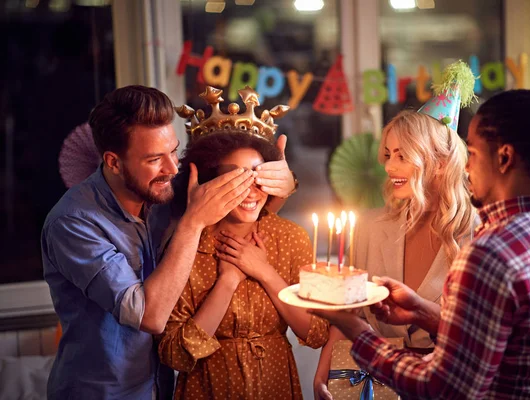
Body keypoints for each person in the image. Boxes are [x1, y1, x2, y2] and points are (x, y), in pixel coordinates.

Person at [313, 88, 530, 399]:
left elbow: (442, 386)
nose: (464, 166)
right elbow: (503, 338)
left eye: (472, 153)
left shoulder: (490, 252)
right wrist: (422, 312)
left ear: (503, 157)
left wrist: (358, 333)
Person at [41, 85, 296, 399]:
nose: (172, 168)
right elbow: (149, 316)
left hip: (163, 388)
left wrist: (285, 184)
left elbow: (245, 209)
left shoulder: (161, 187)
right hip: (103, 392)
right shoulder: (73, 223)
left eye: (173, 151)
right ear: (114, 162)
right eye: (154, 159)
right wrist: (192, 222)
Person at [313, 108, 477, 399]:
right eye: (388, 155)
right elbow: (349, 313)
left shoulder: (480, 234)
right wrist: (322, 373)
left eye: (402, 156)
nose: (389, 167)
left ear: (439, 162)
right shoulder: (368, 229)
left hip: (448, 387)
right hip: (376, 385)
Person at [158, 128, 329, 399]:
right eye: (236, 179)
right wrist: (227, 282)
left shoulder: (290, 238)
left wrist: (264, 272)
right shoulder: (189, 244)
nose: (250, 191)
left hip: (276, 384)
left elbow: (318, 333)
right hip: (208, 388)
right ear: (210, 181)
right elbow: (175, 355)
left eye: (258, 177)